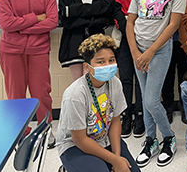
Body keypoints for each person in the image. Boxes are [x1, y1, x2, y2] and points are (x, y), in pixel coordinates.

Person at [126, 0, 186, 168]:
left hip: (159, 50)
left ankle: (169, 138)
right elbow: (130, 23)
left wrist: (150, 52)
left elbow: (173, 25)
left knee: (151, 100)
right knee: (144, 98)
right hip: (138, 51)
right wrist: (135, 53)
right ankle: (150, 140)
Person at [0, 0, 58, 149]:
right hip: (11, 51)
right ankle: (20, 133)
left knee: (42, 93)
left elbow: (51, 21)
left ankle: (45, 130)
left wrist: (21, 27)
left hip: (39, 50)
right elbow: (6, 24)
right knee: (15, 94)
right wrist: (35, 18)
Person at [56, 34, 139, 172]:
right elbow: (80, 140)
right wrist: (113, 160)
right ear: (87, 67)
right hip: (75, 146)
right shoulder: (75, 95)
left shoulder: (115, 83)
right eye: (100, 62)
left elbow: (116, 121)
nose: (107, 65)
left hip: (103, 138)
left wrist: (116, 158)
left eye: (111, 60)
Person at [111, 0, 151, 138]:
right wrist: (127, 24)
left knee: (141, 78)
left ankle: (141, 114)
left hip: (144, 35)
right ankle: (126, 115)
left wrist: (138, 24)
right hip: (125, 33)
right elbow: (115, 7)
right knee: (126, 77)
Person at [59, 0, 115, 81]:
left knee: (93, 83)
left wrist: (75, 11)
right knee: (78, 85)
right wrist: (95, 12)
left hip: (97, 42)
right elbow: (65, 20)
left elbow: (106, 14)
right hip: (73, 42)